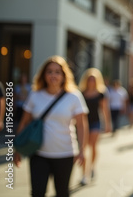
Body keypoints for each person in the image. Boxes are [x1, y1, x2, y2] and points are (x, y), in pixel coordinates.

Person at [14, 55, 88, 197]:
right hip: (38, 153)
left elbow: (81, 124)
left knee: (62, 192)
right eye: (49, 71)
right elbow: (24, 122)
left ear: (64, 75)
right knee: (37, 192)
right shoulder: (35, 95)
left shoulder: (74, 96)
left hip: (65, 153)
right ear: (44, 75)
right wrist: (17, 150)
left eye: (57, 72)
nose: (53, 75)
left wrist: (82, 149)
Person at [78, 68, 112, 185]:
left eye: (93, 79)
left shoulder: (101, 93)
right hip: (83, 123)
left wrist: (108, 124)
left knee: (92, 146)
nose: (91, 81)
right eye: (89, 79)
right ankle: (84, 174)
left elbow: (105, 110)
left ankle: (91, 167)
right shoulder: (81, 93)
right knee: (83, 147)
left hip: (95, 123)